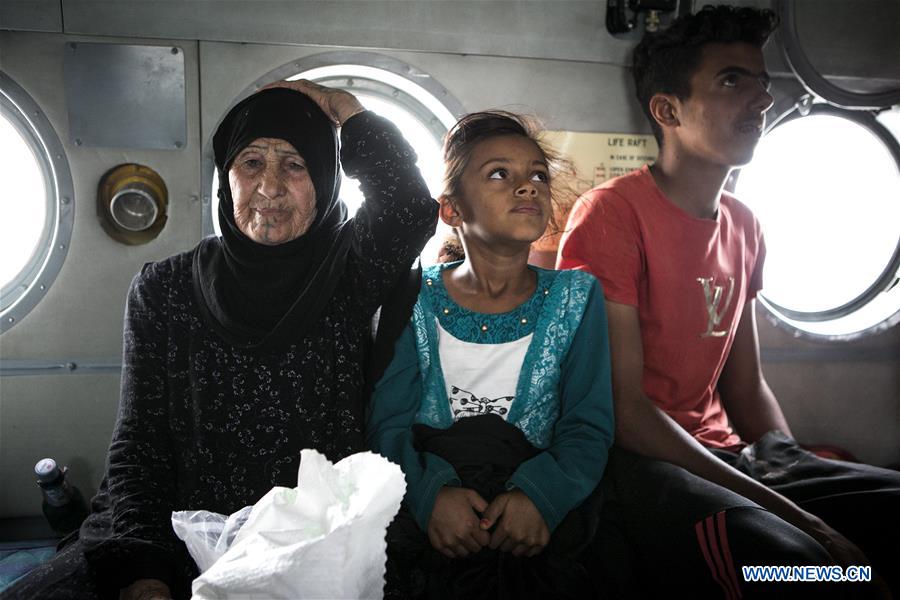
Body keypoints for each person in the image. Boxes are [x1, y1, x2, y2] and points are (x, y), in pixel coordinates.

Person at [3, 80, 437, 600]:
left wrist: (345, 110)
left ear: (325, 179)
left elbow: (409, 206)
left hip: (312, 533)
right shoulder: (162, 288)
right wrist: (145, 568)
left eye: (296, 165)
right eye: (251, 162)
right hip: (177, 531)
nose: (270, 187)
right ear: (225, 178)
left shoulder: (348, 273)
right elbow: (139, 442)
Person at [558, 5, 900, 598]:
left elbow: (745, 388)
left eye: (762, 83)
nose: (762, 100)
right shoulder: (613, 215)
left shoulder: (744, 224)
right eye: (731, 81)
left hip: (729, 455)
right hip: (640, 465)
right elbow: (625, 410)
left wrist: (790, 471)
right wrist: (803, 520)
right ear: (667, 110)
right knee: (795, 563)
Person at [368, 111, 614, 599]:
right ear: (452, 211)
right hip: (434, 516)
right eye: (500, 174)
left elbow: (588, 425)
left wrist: (539, 499)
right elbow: (387, 425)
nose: (527, 187)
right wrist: (430, 496)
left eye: (538, 175)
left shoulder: (577, 298)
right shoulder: (411, 296)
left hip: (535, 515)